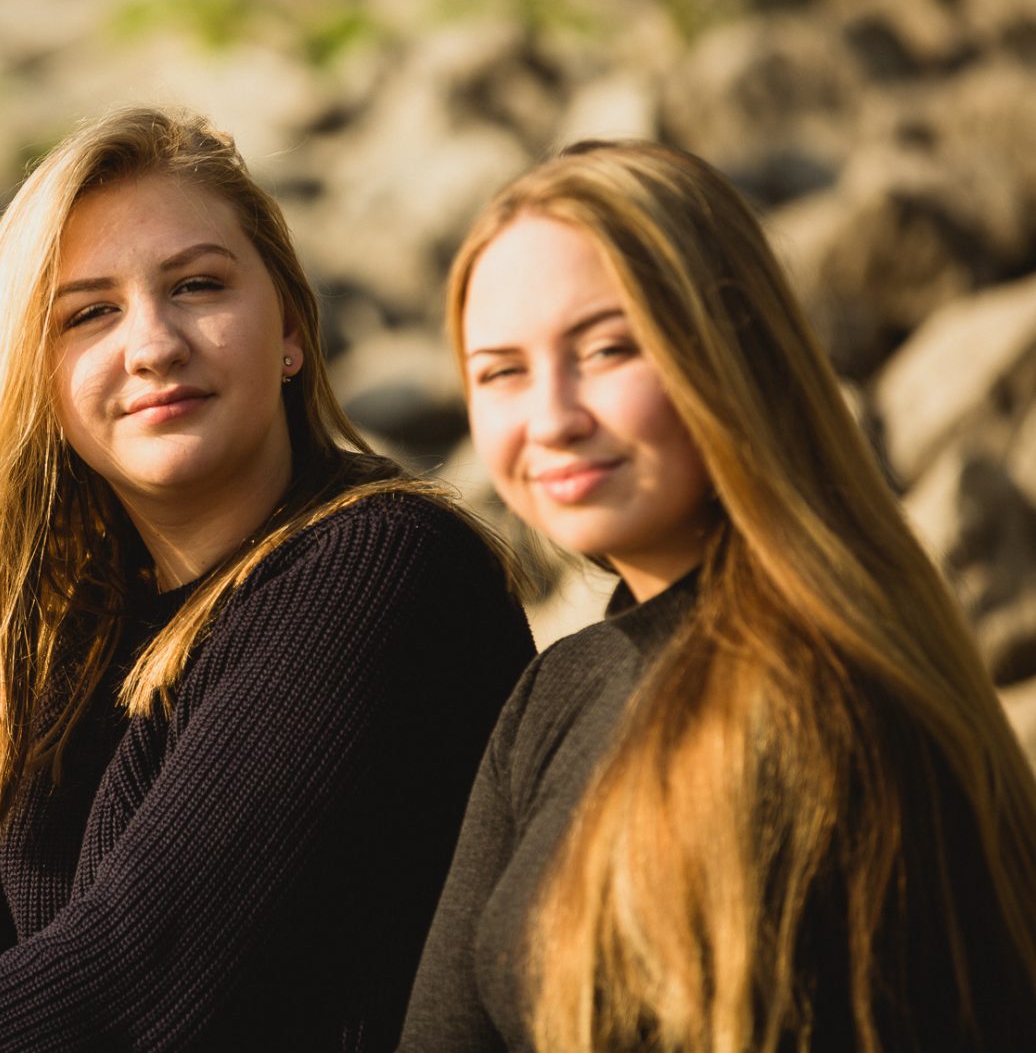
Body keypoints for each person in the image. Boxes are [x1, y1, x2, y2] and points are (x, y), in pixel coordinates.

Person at [0, 106, 533, 1053]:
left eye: (197, 286)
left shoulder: (384, 569)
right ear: (39, 378)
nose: (152, 344)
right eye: (91, 313)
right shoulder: (71, 626)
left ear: (291, 331)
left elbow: (138, 973)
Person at [402, 139, 1036, 1052]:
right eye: (503, 371)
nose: (552, 417)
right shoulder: (556, 692)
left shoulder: (830, 701)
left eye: (609, 349)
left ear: (732, 349)